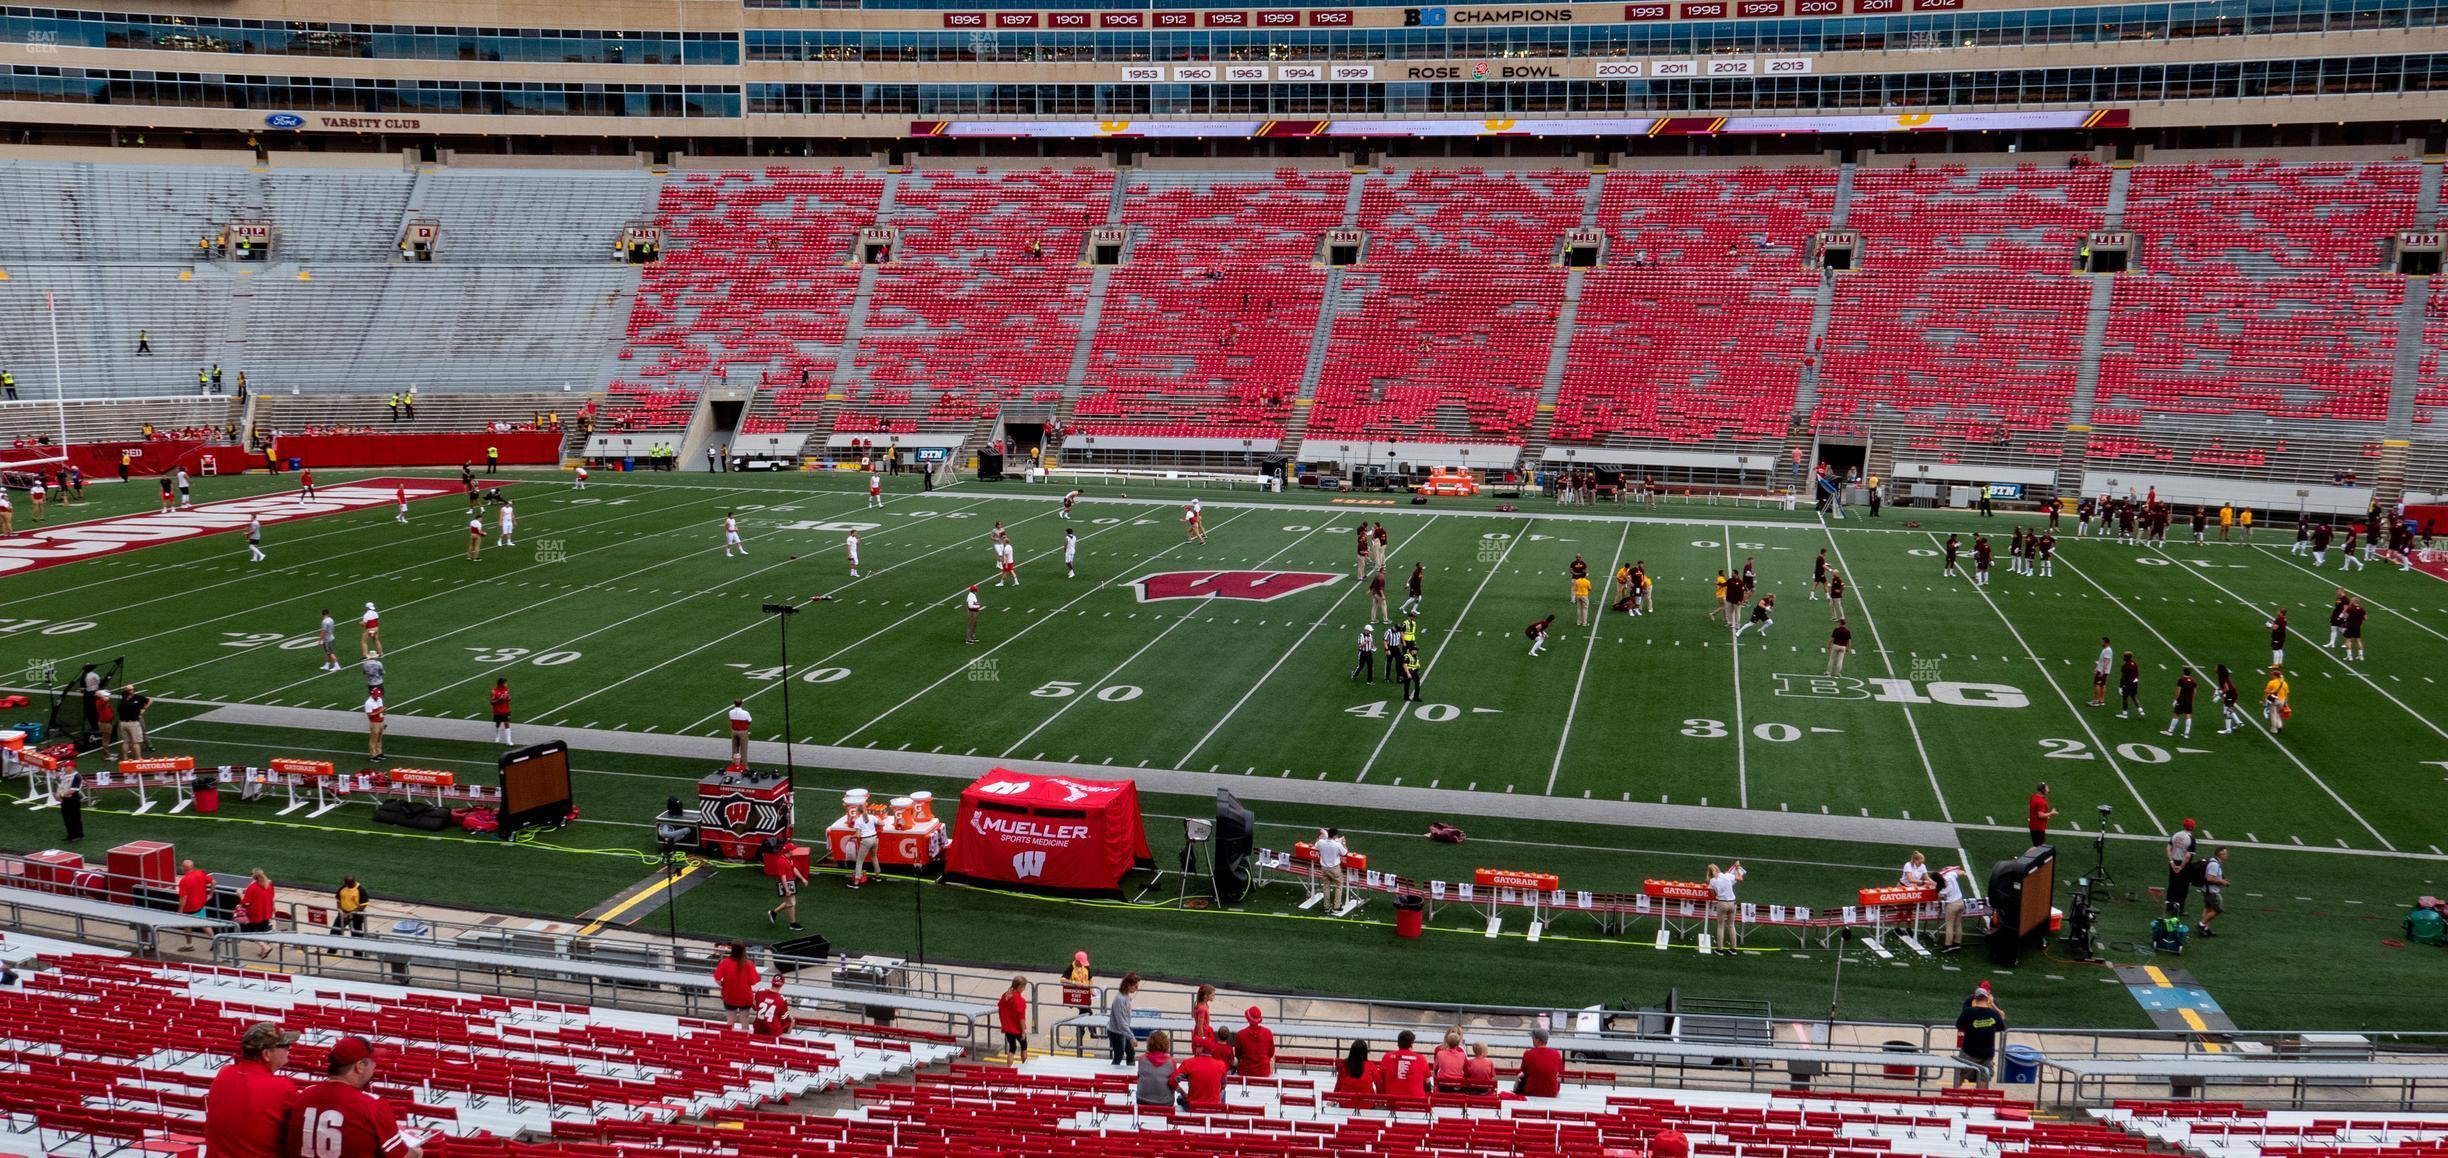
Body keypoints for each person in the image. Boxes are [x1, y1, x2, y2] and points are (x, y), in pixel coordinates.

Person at [287, 1035, 422, 1158]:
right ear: (360, 1066)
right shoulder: (372, 1105)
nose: (375, 1065)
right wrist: (417, 1154)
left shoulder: (304, 1095)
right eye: (372, 1061)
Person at [204, 1021, 299, 1158]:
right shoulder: (282, 1087)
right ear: (266, 1054)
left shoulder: (224, 1074)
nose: (289, 1048)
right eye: (284, 1046)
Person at [1953, 988, 2006, 1089]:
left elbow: (1959, 1026)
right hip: (1987, 1054)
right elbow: (2001, 1025)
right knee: (1983, 1079)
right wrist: (1993, 1005)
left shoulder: (1968, 1012)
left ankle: (1953, 1096)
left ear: (1975, 998)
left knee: (1960, 1075)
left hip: (1969, 1052)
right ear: (1987, 998)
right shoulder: (1993, 1013)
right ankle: (1980, 1099)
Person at [1168, 1034, 1229, 1109]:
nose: (1195, 1048)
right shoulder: (1221, 1065)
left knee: (1180, 1098)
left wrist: (1183, 1094)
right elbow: (1223, 1085)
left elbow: (1172, 1081)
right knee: (1223, 1092)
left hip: (1193, 1107)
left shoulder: (1188, 1063)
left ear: (1200, 1049)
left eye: (1197, 1046)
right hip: (1214, 1107)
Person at [713, 941, 759, 1031]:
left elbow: (717, 979)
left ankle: (728, 1040)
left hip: (729, 995)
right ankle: (745, 1041)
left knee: (730, 1021)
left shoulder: (725, 962)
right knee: (744, 1020)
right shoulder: (749, 964)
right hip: (745, 997)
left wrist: (724, 985)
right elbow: (754, 982)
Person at [1377, 1030, 1430, 1100]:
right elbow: (1427, 1082)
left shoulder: (1387, 1057)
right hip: (1417, 1104)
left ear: (1398, 1044)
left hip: (1393, 1104)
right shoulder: (1421, 1059)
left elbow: (1380, 1080)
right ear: (1411, 1044)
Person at [766, 847, 807, 930]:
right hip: (786, 884)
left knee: (790, 902)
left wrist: (802, 878)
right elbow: (783, 877)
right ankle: (792, 923)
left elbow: (794, 868)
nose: (794, 851)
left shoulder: (788, 859)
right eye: (793, 849)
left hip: (790, 883)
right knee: (791, 903)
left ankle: (773, 912)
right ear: (789, 851)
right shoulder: (782, 862)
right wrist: (787, 889)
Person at [238, 869, 277, 958]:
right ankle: (263, 952)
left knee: (248, 933)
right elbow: (272, 898)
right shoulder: (269, 884)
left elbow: (246, 903)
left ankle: (265, 947)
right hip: (267, 912)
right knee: (261, 933)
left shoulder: (252, 887)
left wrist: (239, 895)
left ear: (253, 876)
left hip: (255, 914)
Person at [176, 859, 214, 950]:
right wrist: (211, 895)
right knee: (204, 923)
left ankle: (189, 945)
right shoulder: (200, 873)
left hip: (189, 908)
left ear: (183, 868)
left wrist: (180, 910)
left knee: (187, 925)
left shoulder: (184, 881)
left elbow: (183, 898)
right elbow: (213, 882)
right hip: (201, 904)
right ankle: (215, 940)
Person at [1707, 861, 1745, 954]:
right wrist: (1738, 868)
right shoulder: (1727, 876)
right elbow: (1740, 878)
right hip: (1733, 903)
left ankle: (1719, 949)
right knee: (1731, 925)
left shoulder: (1712, 881)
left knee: (1720, 926)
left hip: (1722, 903)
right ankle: (1733, 949)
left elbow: (1713, 894)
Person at [2165, 818, 2200, 915]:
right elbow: (2188, 856)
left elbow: (2168, 848)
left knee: (2172, 885)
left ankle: (2169, 906)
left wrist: (2172, 862)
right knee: (2183, 888)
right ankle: (2178, 909)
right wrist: (2181, 867)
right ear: (2193, 827)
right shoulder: (2191, 839)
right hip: (2184, 865)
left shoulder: (2176, 835)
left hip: (2173, 862)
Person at [1516, 1026, 1563, 1097]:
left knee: (1521, 1077)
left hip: (1532, 1092)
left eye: (1533, 1038)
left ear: (1538, 1040)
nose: (1532, 1039)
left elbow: (1523, 1073)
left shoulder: (1528, 1053)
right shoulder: (1556, 1054)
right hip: (1552, 1093)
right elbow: (1559, 1073)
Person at [1133, 1029, 1175, 1107]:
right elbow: (1173, 1084)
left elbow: (1139, 1078)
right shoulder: (1171, 1061)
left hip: (1143, 1100)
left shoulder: (1142, 1059)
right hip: (1165, 1103)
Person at [1107, 972, 1140, 1068]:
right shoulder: (1120, 999)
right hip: (1116, 1032)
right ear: (1128, 985)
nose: (1137, 989)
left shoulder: (1126, 997)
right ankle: (1113, 1075)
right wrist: (1131, 1037)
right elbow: (1121, 1022)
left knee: (1130, 1052)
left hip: (1123, 1031)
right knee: (1119, 1055)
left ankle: (1130, 1072)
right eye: (1135, 986)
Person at [1314, 826, 1349, 911]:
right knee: (1339, 885)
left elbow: (1316, 844)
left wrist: (1322, 835)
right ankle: (1337, 906)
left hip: (1324, 868)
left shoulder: (1321, 842)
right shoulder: (1337, 845)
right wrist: (1344, 843)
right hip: (1334, 868)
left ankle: (1326, 906)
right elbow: (1345, 852)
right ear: (1334, 836)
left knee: (1326, 886)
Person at [1234, 1007, 1274, 1078]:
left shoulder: (1241, 1034)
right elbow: (1271, 1053)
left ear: (1248, 1019)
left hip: (1246, 1071)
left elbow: (1238, 1055)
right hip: (1263, 1071)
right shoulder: (1268, 1033)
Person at [848, 803, 880, 888]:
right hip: (875, 839)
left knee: (859, 861)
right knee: (874, 857)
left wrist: (851, 836)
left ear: (858, 811)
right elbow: (882, 823)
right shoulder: (872, 817)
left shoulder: (858, 820)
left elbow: (858, 835)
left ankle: (856, 882)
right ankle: (877, 876)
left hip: (866, 841)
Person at [2199, 848, 2230, 937]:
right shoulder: (2214, 865)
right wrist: (2222, 882)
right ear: (2220, 855)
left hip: (2207, 889)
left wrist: (2222, 879)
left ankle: (2205, 928)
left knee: (2208, 908)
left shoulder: (2214, 861)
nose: (2227, 855)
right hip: (2211, 891)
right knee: (2217, 910)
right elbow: (2210, 878)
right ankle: (2201, 924)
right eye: (2225, 854)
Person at [753, 970, 794, 1037]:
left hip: (758, 1029)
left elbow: (755, 1007)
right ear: (782, 985)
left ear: (771, 982)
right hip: (772, 1032)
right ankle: (785, 1041)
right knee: (790, 1021)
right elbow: (784, 1019)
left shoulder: (760, 992)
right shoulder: (782, 999)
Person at [1937, 866, 1968, 952]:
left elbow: (1940, 897)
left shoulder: (1943, 888)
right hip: (1961, 903)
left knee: (1949, 926)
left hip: (1952, 905)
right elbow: (1960, 872)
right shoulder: (1950, 875)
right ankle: (1957, 943)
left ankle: (1947, 945)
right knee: (1958, 924)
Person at [998, 976, 1029, 1059]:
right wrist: (1023, 1031)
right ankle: (1024, 1066)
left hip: (1007, 1028)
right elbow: (1021, 1018)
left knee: (1012, 1048)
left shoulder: (1005, 996)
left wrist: (1003, 1024)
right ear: (1019, 987)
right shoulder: (1020, 1000)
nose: (1024, 989)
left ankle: (1009, 1068)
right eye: (1024, 987)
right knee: (1024, 1047)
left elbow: (1000, 1010)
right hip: (1018, 1029)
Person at [53, 761, 84, 843]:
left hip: (73, 800)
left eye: (66, 766)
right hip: (65, 799)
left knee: (75, 818)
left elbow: (72, 791)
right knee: (66, 817)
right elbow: (60, 785)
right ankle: (70, 834)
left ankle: (78, 835)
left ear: (72, 767)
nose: (64, 768)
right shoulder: (64, 775)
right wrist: (57, 794)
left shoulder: (77, 776)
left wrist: (60, 795)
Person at [2164, 667, 2198, 738]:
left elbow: (2178, 691)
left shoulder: (2181, 680)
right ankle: (2186, 734)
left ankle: (2170, 731)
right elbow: (2194, 692)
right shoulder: (2193, 681)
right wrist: (2191, 699)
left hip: (2181, 700)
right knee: (2188, 715)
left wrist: (2175, 699)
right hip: (2189, 700)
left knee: (2176, 715)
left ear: (2183, 672)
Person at [119, 685, 150, 759]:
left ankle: (125, 757)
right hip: (133, 723)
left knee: (126, 742)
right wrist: (141, 710)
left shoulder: (120, 704)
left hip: (123, 723)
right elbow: (138, 713)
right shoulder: (133, 705)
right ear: (128, 696)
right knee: (136, 742)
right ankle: (138, 758)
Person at [2263, 665, 2291, 733]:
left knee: (2273, 714)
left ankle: (2274, 729)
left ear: (2275, 675)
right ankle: (2279, 726)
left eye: (2273, 675)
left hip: (2274, 700)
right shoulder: (2284, 683)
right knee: (2278, 714)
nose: (2272, 676)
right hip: (2282, 701)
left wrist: (2264, 700)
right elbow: (2286, 694)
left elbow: (2266, 692)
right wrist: (2286, 703)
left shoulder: (2271, 682)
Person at [726, 699, 752, 767]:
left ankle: (734, 765)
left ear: (734, 704)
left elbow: (731, 720)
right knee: (743, 749)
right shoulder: (745, 713)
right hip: (743, 732)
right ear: (741, 704)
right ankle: (744, 766)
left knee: (734, 749)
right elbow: (749, 721)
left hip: (734, 731)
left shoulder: (730, 712)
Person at [362, 691, 385, 762]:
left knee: (379, 738)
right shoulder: (368, 703)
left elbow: (381, 710)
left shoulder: (379, 699)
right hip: (374, 723)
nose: (378, 696)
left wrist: (383, 712)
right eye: (376, 695)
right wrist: (380, 711)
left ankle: (379, 753)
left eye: (379, 695)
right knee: (373, 739)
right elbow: (369, 715)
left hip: (381, 721)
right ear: (372, 694)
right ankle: (373, 755)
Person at [488, 679, 512, 746]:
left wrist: (508, 698)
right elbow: (491, 702)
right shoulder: (494, 691)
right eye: (505, 683)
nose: (506, 684)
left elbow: (510, 698)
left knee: (507, 723)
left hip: (506, 710)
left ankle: (509, 741)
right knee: (498, 724)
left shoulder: (506, 690)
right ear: (501, 684)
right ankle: (497, 737)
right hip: (497, 711)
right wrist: (499, 699)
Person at [2091, 636, 2113, 707]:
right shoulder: (2106, 649)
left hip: (2102, 671)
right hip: (2101, 670)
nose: (2101, 643)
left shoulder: (2108, 650)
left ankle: (2097, 700)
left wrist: (2102, 671)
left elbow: (2106, 661)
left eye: (2102, 642)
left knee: (2097, 684)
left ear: (2106, 642)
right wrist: (2097, 668)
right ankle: (2101, 700)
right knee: (2102, 685)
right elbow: (2101, 661)